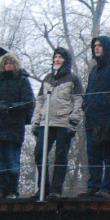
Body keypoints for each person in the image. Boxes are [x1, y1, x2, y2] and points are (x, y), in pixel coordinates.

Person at [32, 47, 83, 199]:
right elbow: (40, 101)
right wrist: (35, 121)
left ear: (66, 60)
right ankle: (43, 188)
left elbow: (78, 100)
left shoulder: (73, 79)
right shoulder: (48, 78)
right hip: (45, 122)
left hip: (63, 122)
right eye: (55, 57)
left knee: (61, 156)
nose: (57, 60)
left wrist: (74, 121)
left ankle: (56, 190)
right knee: (39, 153)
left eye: (60, 57)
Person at [0, 53, 34, 200]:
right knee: (0, 159)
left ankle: (13, 190)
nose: (8, 65)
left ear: (15, 64)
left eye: (11, 63)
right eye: (5, 63)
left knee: (12, 157)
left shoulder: (22, 81)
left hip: (15, 125)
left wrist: (11, 107)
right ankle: (1, 190)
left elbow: (28, 101)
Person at [82, 36, 110, 197]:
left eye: (100, 45)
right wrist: (85, 105)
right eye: (95, 46)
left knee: (109, 154)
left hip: (107, 117)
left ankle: (107, 188)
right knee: (93, 154)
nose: (97, 48)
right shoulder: (94, 70)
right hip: (91, 117)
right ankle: (93, 186)